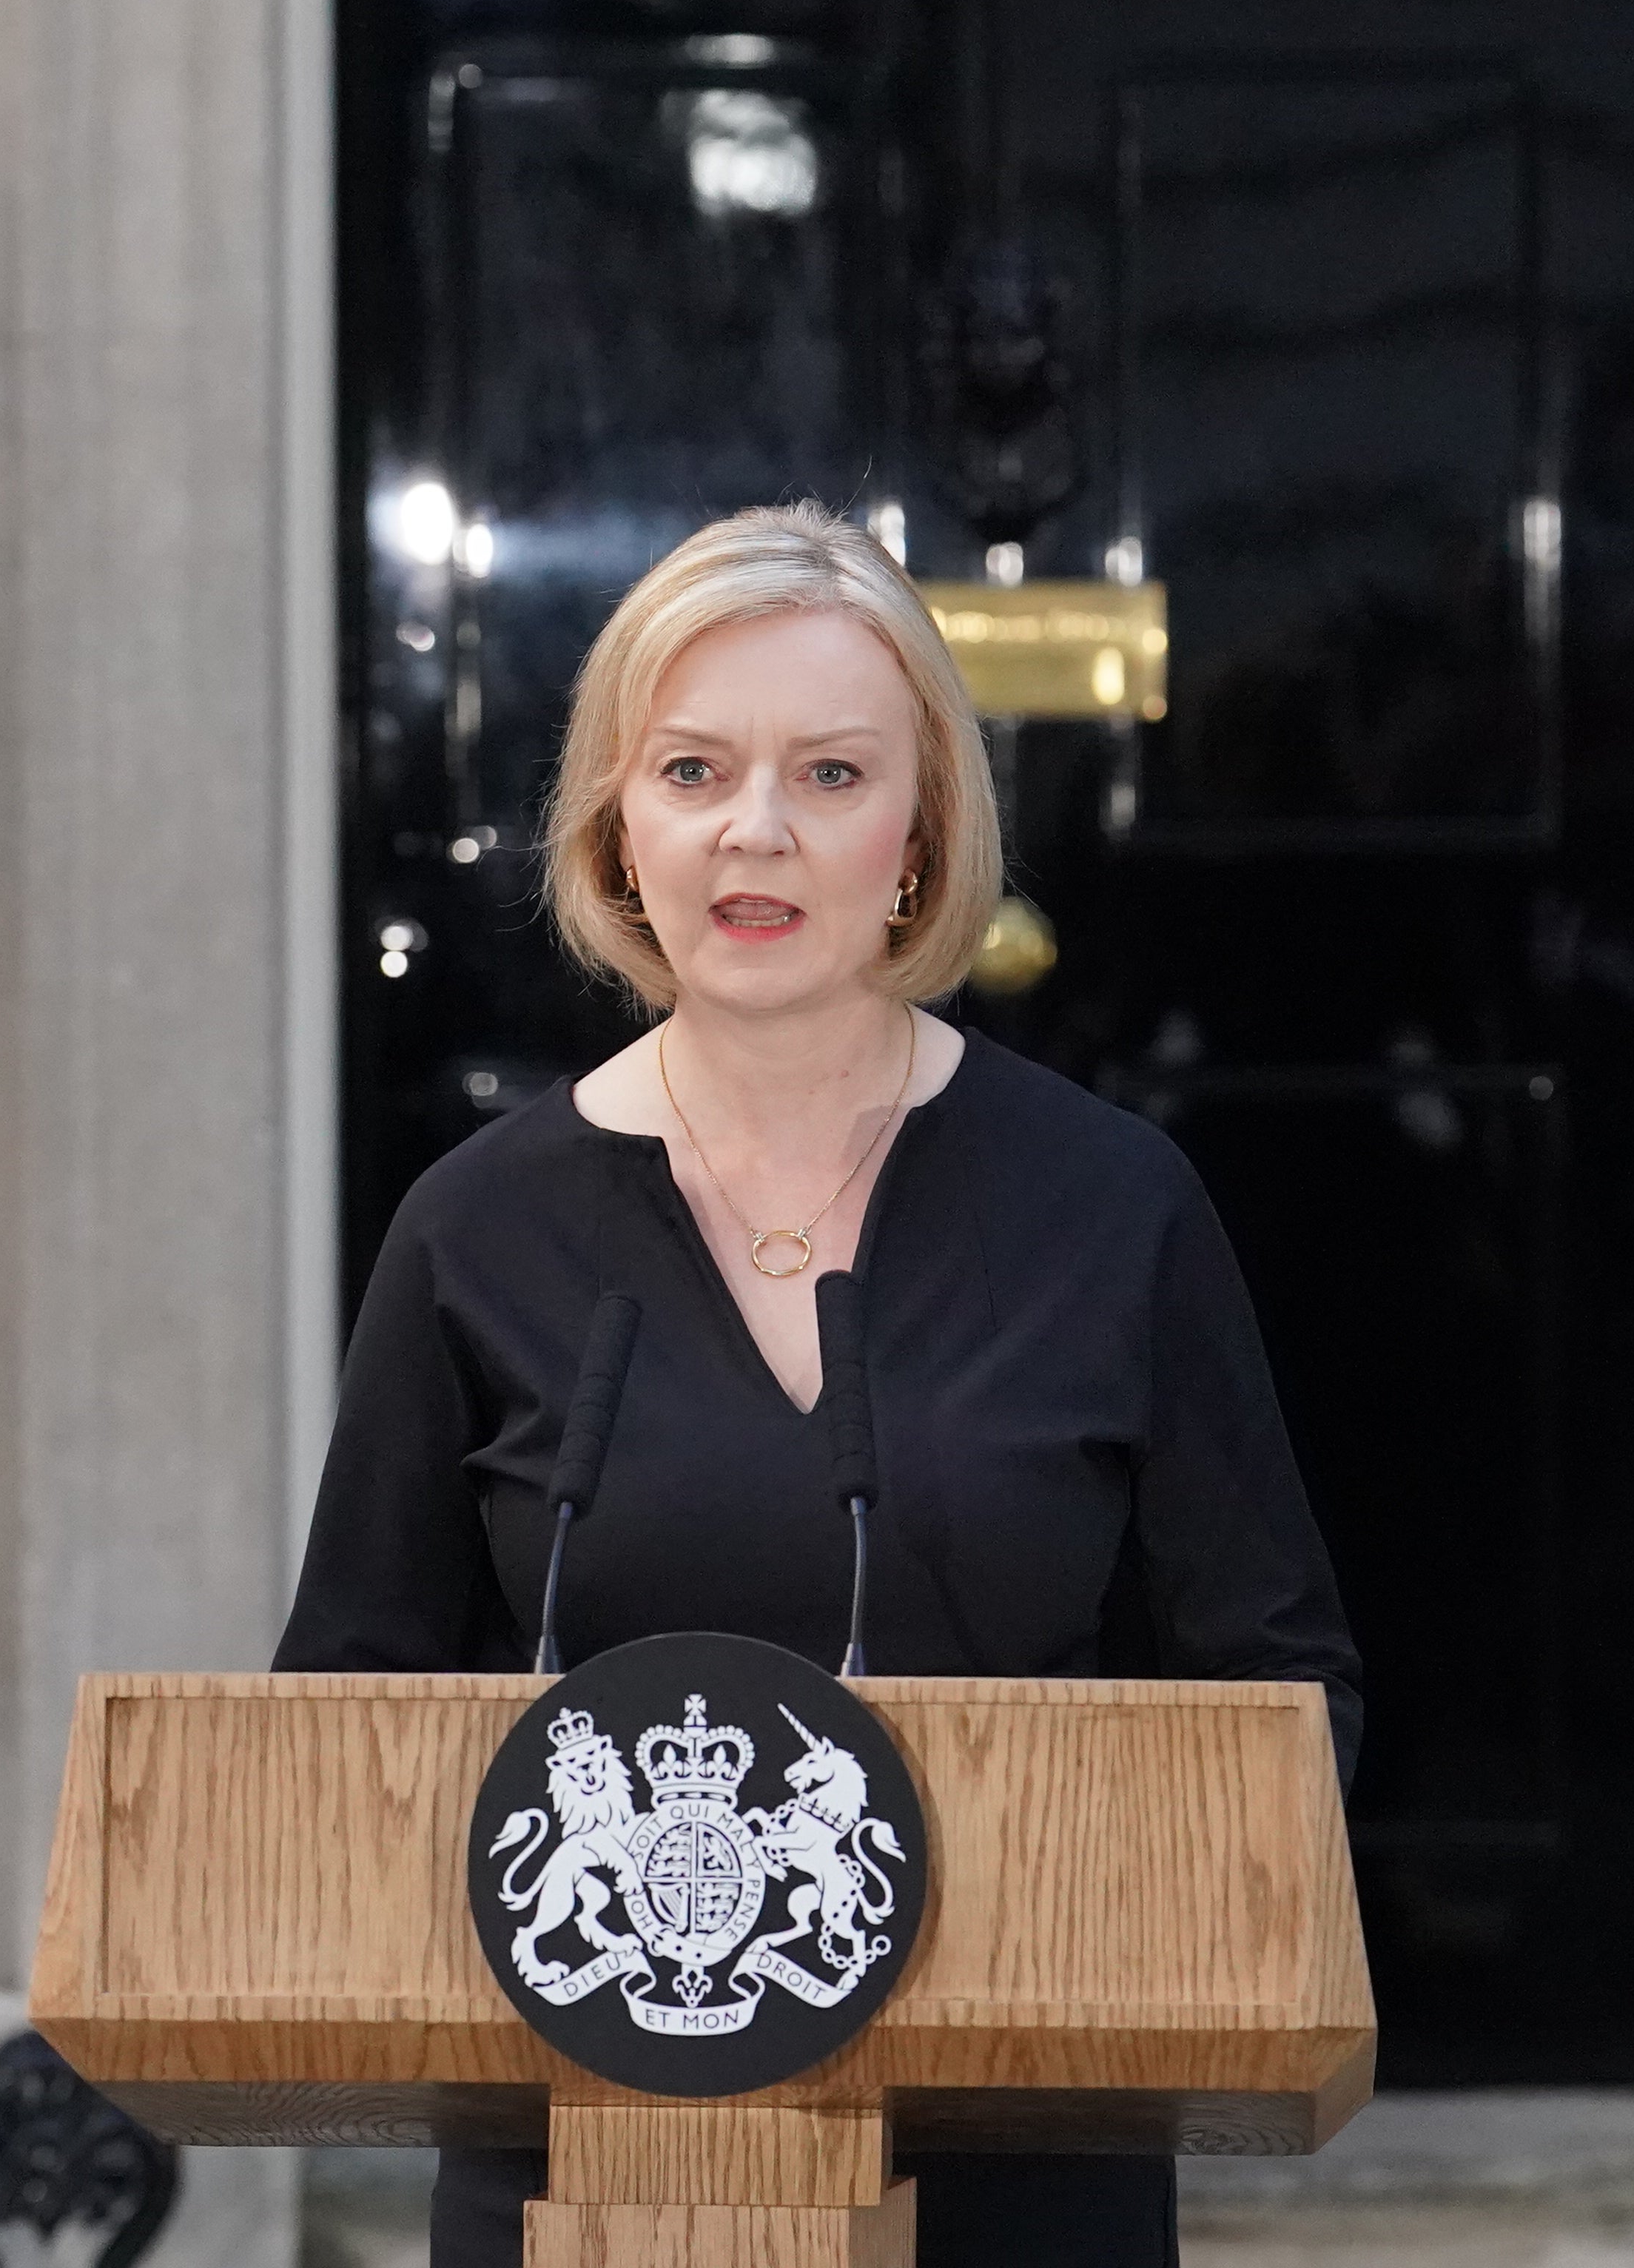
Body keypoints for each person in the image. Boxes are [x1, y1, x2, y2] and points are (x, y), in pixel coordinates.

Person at [275, 502, 1362, 2268]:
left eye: (831, 773)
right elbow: (339, 1724)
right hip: (575, 2173)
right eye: (693, 768)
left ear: (923, 834)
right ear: (618, 823)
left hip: (1021, 2168)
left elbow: (1285, 1694)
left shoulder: (1111, 1205)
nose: (752, 830)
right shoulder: (475, 1229)